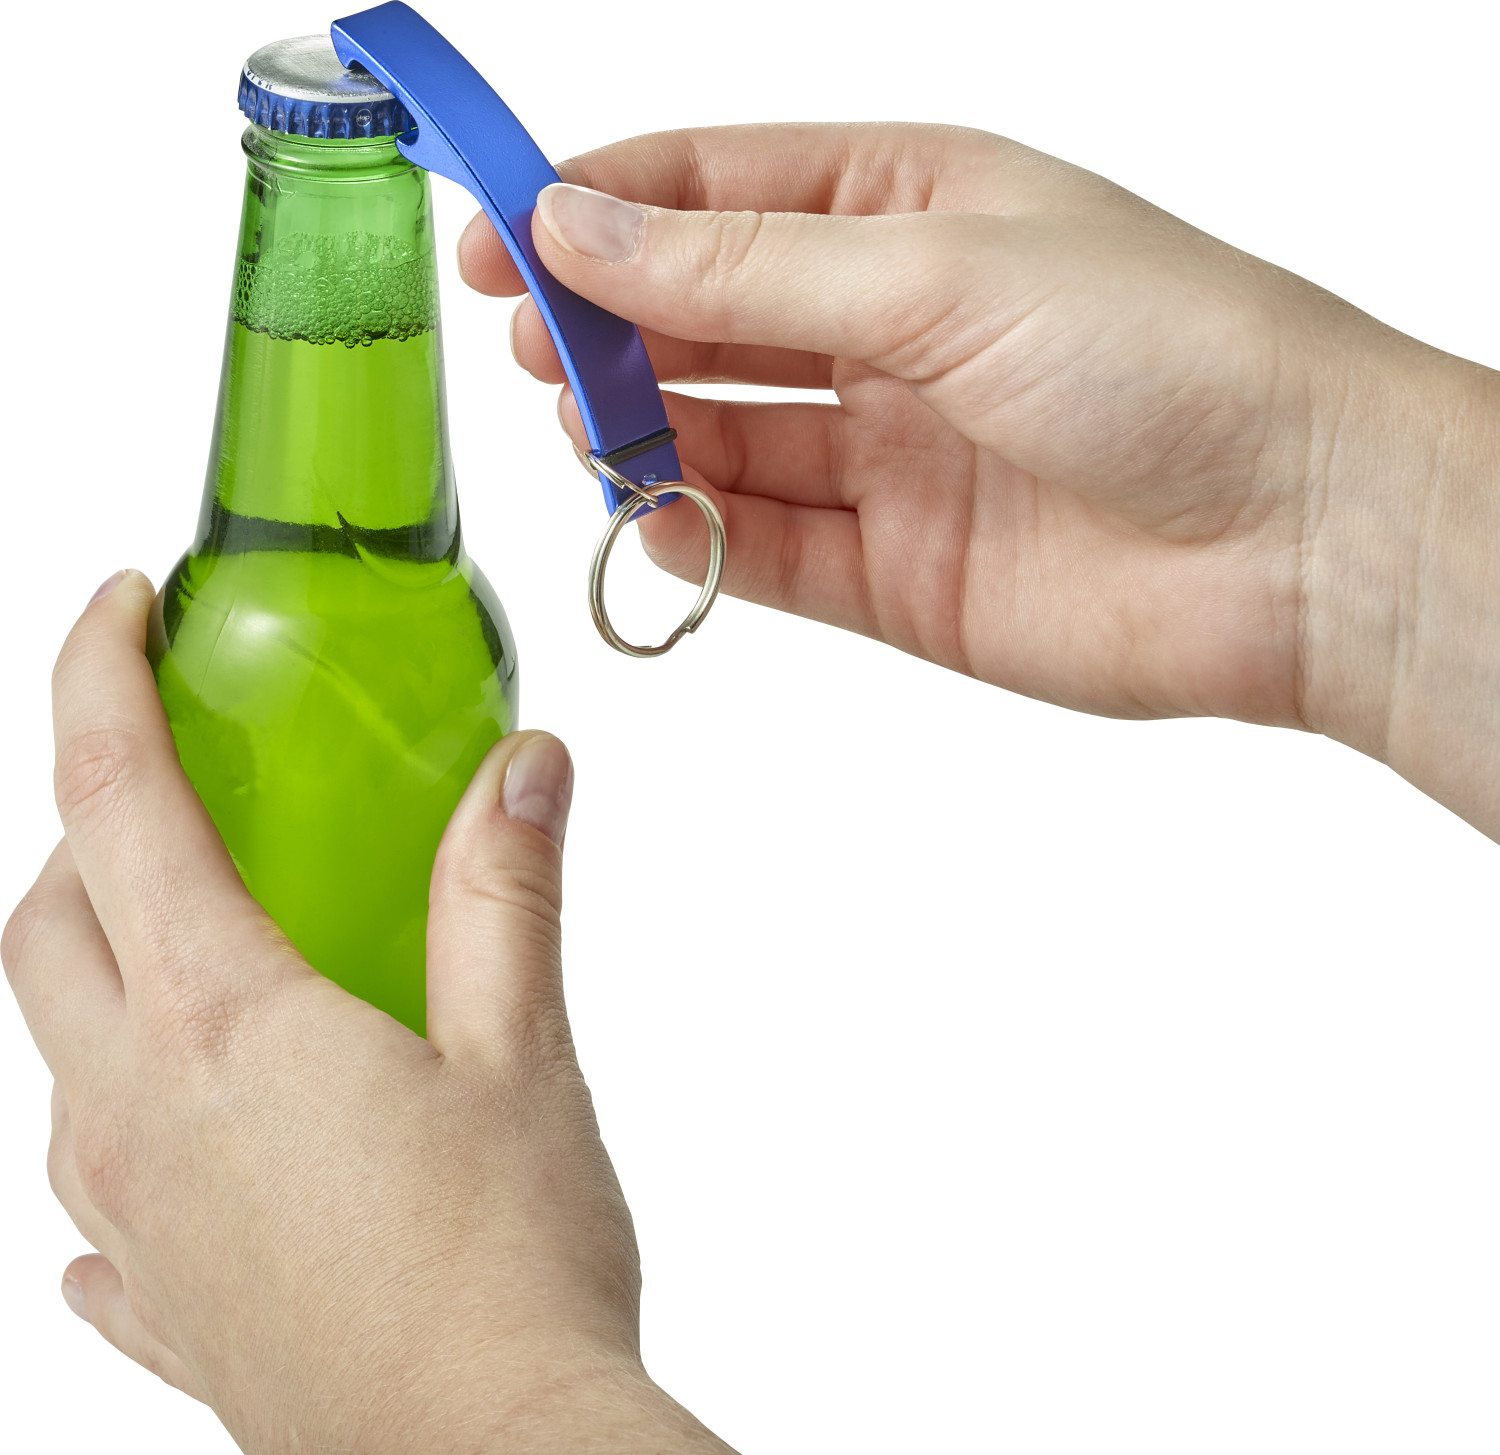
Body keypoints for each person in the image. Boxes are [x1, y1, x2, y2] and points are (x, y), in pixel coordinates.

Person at [4, 122, 1496, 1453]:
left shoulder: (416, 608)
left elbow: (425, 1366)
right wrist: (1341, 504)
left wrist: (441, 1376)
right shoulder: (238, 613)